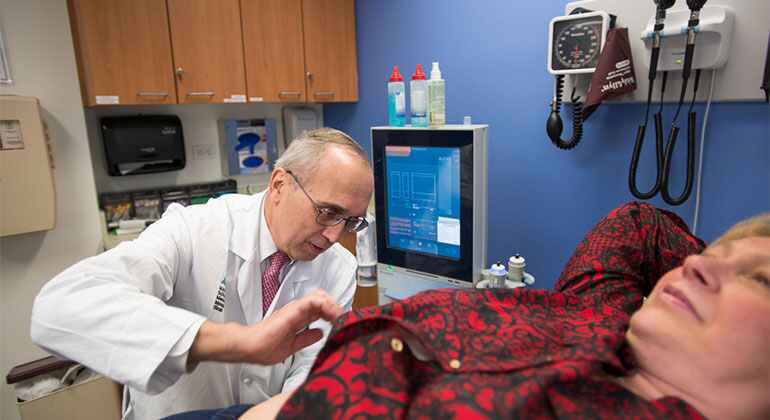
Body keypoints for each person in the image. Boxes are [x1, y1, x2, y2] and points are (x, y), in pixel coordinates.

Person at [170, 202, 770, 420]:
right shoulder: (604, 316)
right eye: (712, 255)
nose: (698, 266)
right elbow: (637, 224)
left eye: (760, 279)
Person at [30, 128, 375, 420]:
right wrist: (234, 343)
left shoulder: (339, 268)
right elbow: (58, 307)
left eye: (350, 222)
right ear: (279, 185)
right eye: (328, 212)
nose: (334, 236)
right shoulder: (194, 230)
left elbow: (310, 373)